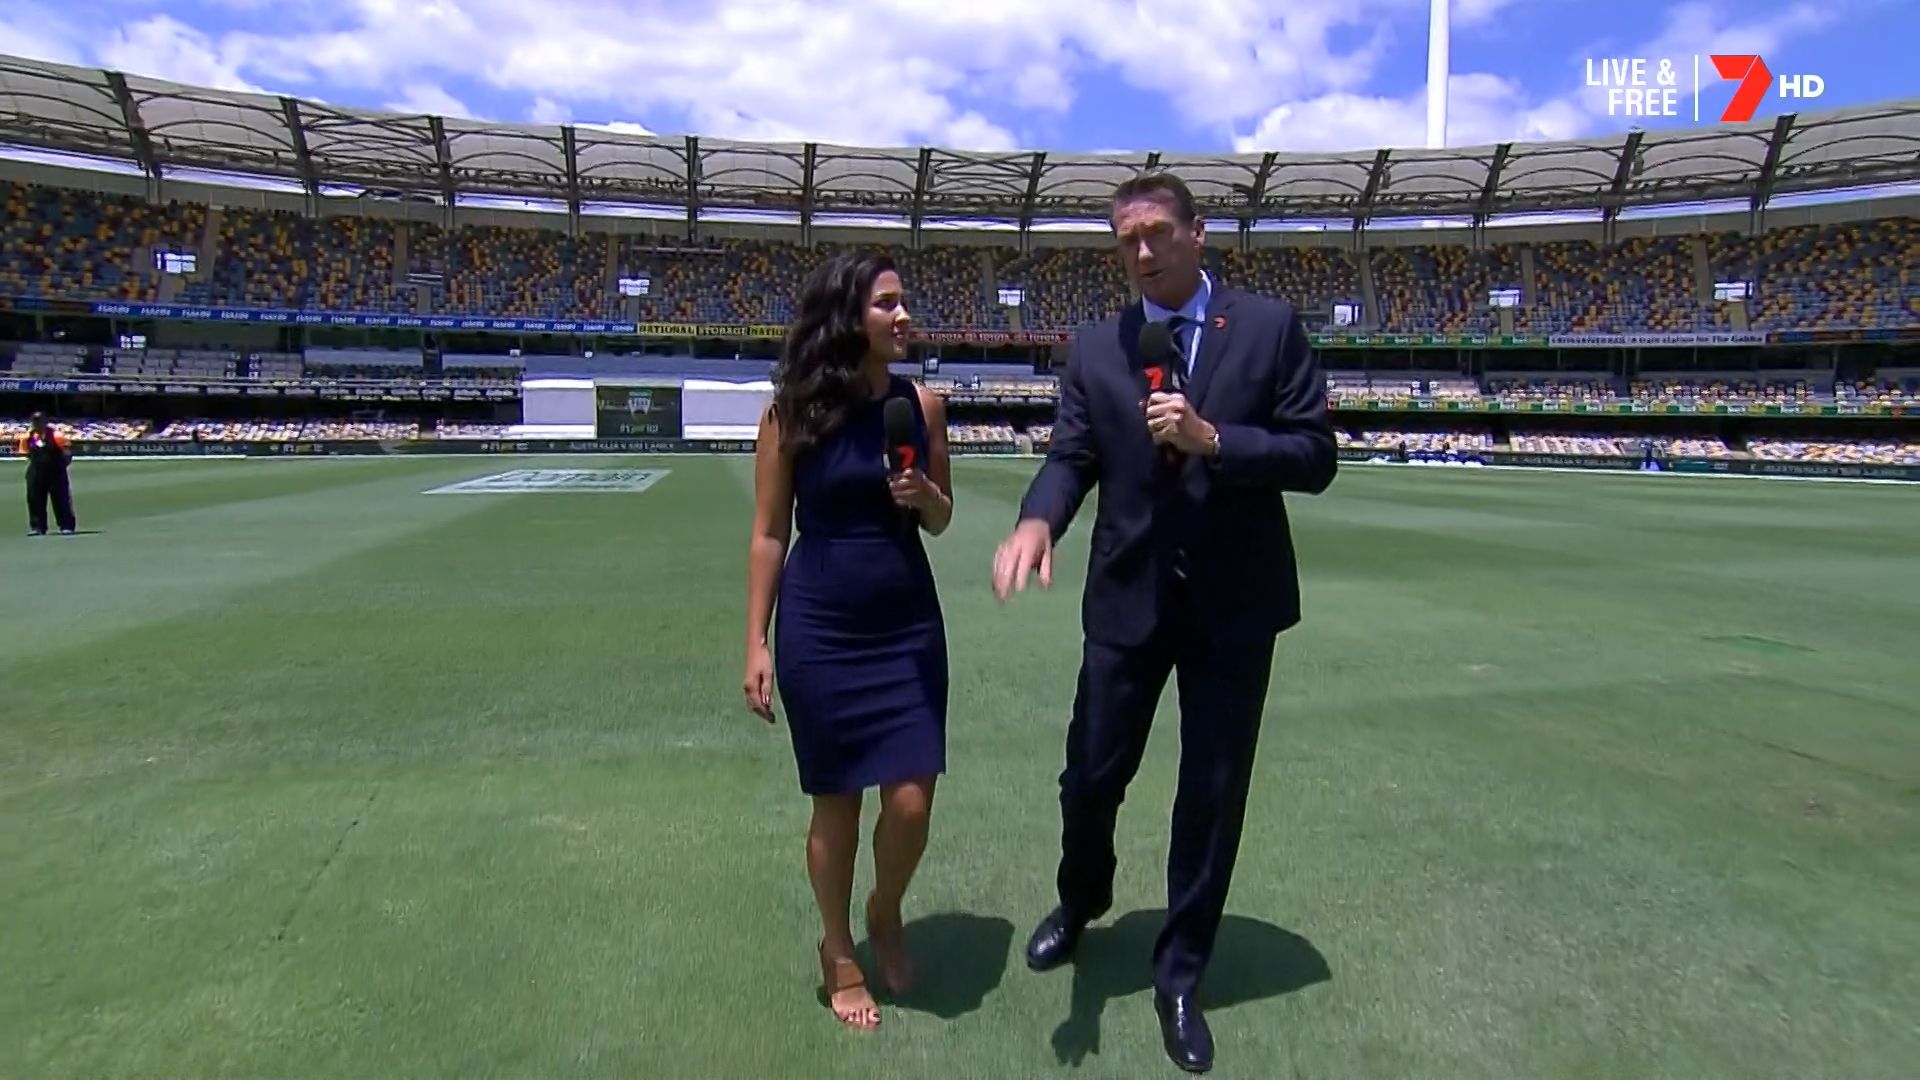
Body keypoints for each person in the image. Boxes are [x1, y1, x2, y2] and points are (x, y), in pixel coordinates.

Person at [991, 172, 1337, 1073]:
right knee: (1088, 776)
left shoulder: (1268, 328)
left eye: (1156, 233)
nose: (1141, 253)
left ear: (1197, 232)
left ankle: (1180, 973)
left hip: (1235, 605)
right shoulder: (1098, 347)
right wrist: (1037, 520)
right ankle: (1082, 897)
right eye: (1126, 240)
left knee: (1211, 797)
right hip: (1127, 598)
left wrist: (1212, 438)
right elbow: (1070, 456)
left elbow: (1315, 456)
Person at [742, 252, 955, 1032]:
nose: (903, 316)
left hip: (906, 623)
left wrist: (924, 495)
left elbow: (942, 519)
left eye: (904, 302)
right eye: (886, 303)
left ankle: (884, 908)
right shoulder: (790, 415)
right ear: (847, 317)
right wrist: (755, 642)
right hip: (821, 625)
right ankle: (838, 949)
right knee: (836, 806)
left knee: (911, 801)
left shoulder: (921, 405)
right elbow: (770, 533)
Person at [19, 412, 77, 536]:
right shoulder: (27, 437)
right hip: (36, 473)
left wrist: (60, 467)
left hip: (56, 473)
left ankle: (66, 526)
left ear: (45, 421)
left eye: (39, 420)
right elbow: (26, 453)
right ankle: (37, 527)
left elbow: (67, 454)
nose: (37, 424)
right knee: (35, 500)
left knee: (61, 499)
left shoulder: (57, 436)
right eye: (35, 421)